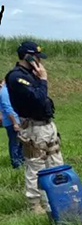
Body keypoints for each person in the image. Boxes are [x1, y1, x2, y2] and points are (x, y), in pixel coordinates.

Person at [5, 41, 63, 214]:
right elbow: (37, 98)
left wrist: (39, 77)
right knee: (35, 164)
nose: (39, 61)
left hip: (46, 124)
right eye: (37, 57)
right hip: (33, 126)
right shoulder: (16, 77)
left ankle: (56, 197)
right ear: (27, 56)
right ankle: (35, 204)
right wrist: (43, 79)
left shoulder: (32, 74)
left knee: (54, 160)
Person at [1, 79, 23, 169]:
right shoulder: (4, 92)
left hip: (15, 119)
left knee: (20, 141)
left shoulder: (8, 90)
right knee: (15, 142)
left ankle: (21, 160)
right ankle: (16, 163)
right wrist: (15, 123)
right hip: (12, 121)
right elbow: (7, 108)